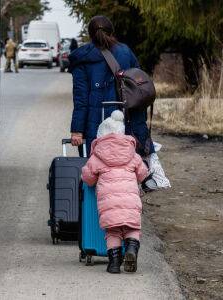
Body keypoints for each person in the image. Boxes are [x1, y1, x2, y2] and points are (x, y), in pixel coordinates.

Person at [68, 16, 154, 158]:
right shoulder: (126, 52)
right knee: (125, 163)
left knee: (96, 166)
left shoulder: (82, 57)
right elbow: (138, 89)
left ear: (90, 34)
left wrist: (77, 130)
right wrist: (140, 123)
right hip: (126, 120)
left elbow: (80, 98)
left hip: (95, 124)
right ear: (112, 32)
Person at [81, 110, 149, 274]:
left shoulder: (97, 155)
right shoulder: (132, 153)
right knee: (132, 228)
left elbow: (88, 178)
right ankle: (132, 249)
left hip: (109, 204)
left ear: (101, 135)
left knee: (113, 232)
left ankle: (114, 263)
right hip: (130, 201)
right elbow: (142, 173)